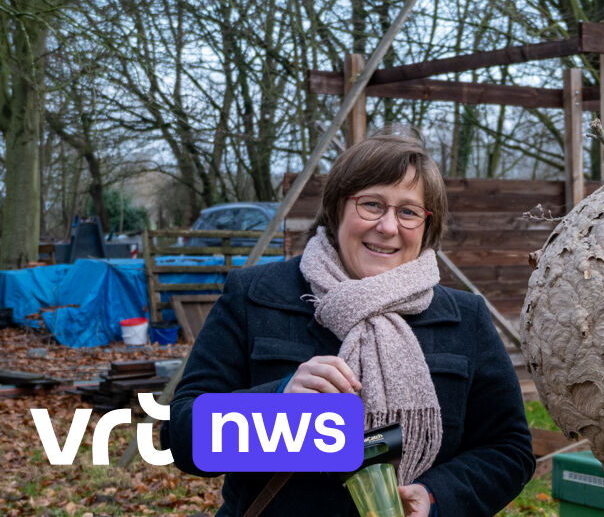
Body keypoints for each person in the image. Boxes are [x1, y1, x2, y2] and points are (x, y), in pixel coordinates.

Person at [163, 132, 535, 517]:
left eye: (408, 212)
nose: (388, 227)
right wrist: (278, 402)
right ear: (338, 207)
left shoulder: (464, 317)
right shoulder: (256, 295)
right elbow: (180, 439)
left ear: (427, 226)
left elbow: (508, 450)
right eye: (371, 204)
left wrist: (436, 498)